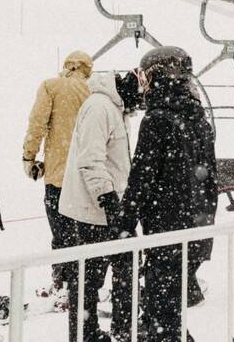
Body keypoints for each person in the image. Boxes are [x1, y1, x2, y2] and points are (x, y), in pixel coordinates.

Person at [119, 46, 217, 342]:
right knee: (168, 306)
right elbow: (208, 175)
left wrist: (124, 220)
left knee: (162, 309)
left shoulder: (158, 119)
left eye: (147, 78)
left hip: (167, 228)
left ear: (158, 77)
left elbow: (142, 176)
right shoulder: (197, 116)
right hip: (196, 224)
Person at [59, 69, 138, 341]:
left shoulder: (116, 109)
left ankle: (121, 329)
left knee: (125, 271)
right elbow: (90, 159)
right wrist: (109, 200)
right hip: (93, 211)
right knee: (88, 282)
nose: (138, 106)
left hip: (111, 208)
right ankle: (85, 333)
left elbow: (116, 161)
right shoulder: (99, 107)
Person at [23, 49, 94, 293]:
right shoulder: (93, 91)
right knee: (83, 233)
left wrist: (29, 157)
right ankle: (82, 284)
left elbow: (37, 124)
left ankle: (62, 282)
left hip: (56, 176)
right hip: (85, 178)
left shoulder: (50, 86)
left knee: (60, 234)